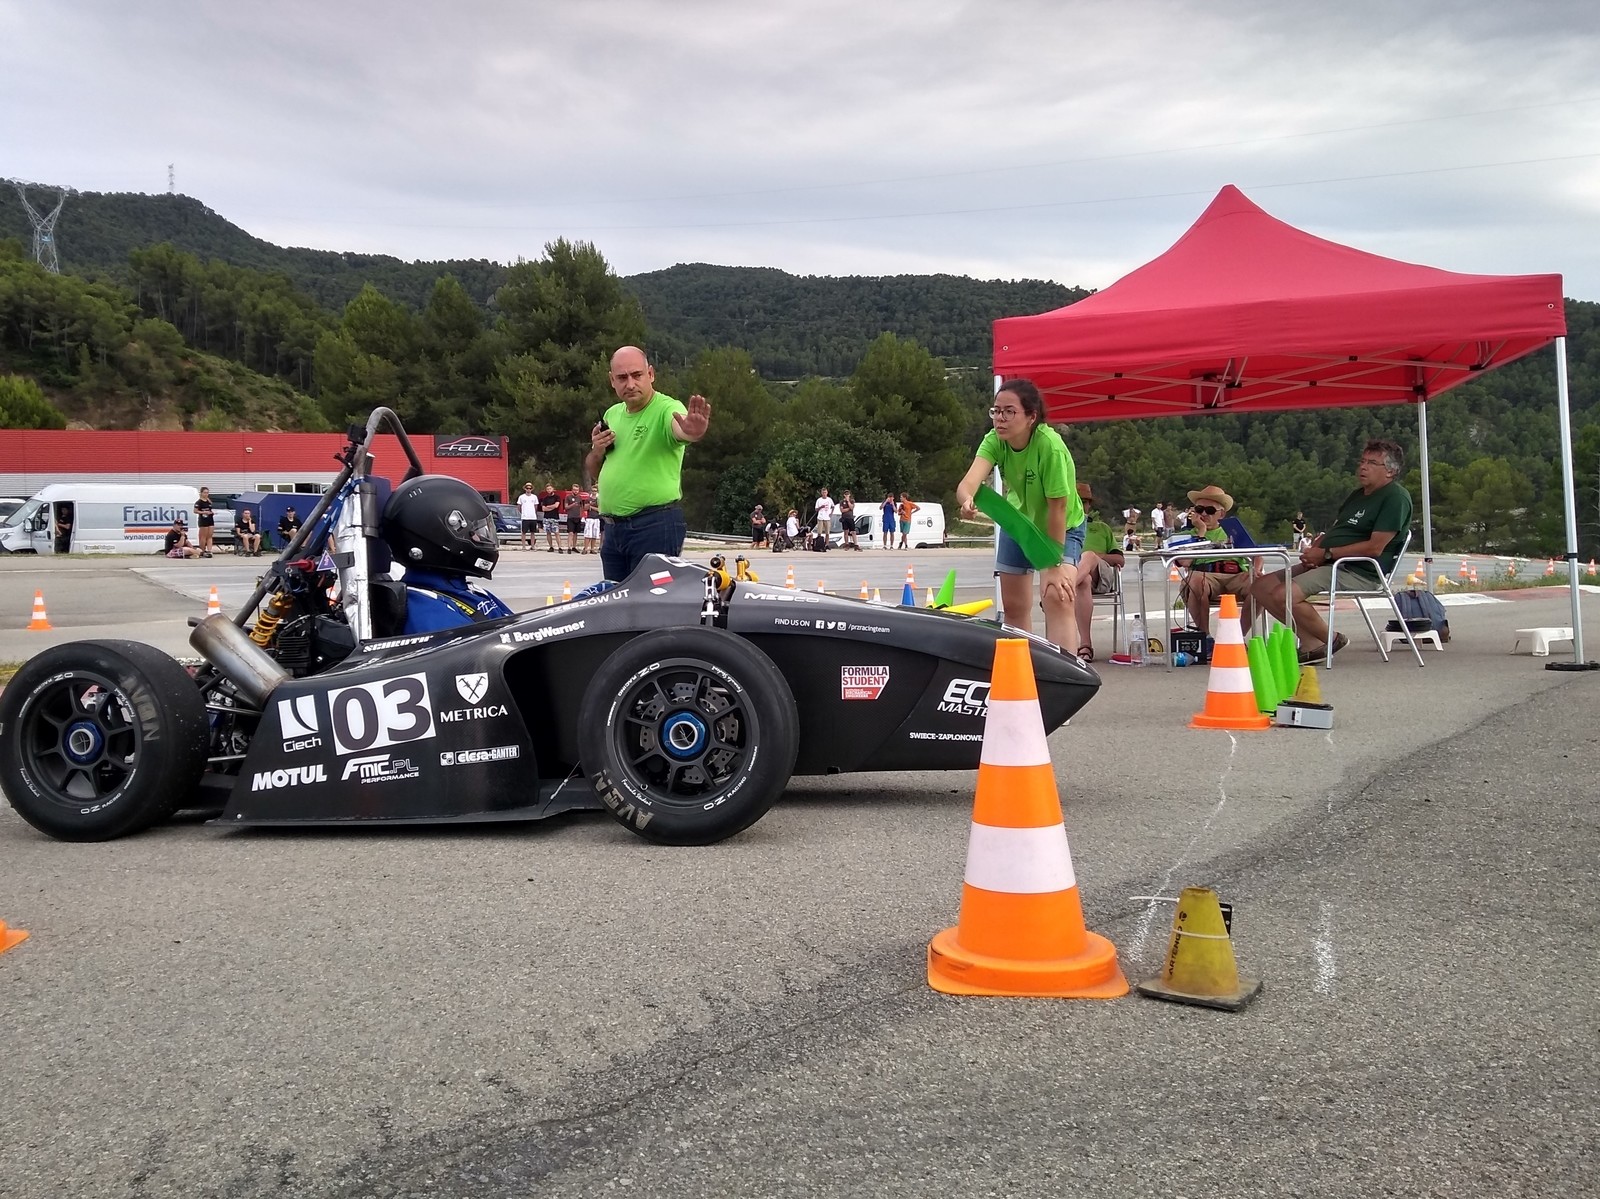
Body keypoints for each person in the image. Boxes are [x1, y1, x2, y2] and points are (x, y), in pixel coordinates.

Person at [1250, 439, 1414, 663]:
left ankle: (1332, 639)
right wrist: (1317, 549)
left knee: (1283, 595)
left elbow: (1375, 548)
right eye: (1362, 461)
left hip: (1358, 569)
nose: (1363, 466)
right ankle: (1311, 643)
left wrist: (1326, 554)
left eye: (1372, 463)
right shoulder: (1358, 495)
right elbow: (1338, 529)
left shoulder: (1395, 498)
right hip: (1331, 562)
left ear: (1390, 471)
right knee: (1260, 587)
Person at [955, 378, 1083, 652]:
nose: (1000, 418)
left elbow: (1058, 508)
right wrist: (967, 500)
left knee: (1057, 596)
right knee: (1013, 605)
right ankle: (1022, 670)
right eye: (996, 411)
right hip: (1019, 524)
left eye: (1009, 411)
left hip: (1061, 526)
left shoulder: (1050, 446)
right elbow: (967, 484)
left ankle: (1062, 672)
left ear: (1031, 417)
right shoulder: (994, 440)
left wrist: (1054, 563)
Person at [584, 345, 711, 582]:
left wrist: (692, 431)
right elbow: (596, 471)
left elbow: (680, 428)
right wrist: (597, 451)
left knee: (655, 600)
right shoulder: (612, 414)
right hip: (613, 530)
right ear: (612, 381)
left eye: (637, 375)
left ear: (651, 374)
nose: (630, 384)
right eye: (622, 378)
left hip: (653, 525)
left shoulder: (666, 408)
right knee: (617, 601)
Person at [1176, 484, 1253, 641]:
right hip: (1205, 575)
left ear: (1221, 514)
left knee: (1260, 584)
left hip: (1236, 574)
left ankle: (1237, 636)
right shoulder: (1185, 535)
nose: (1204, 514)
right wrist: (1201, 532)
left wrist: (1256, 569)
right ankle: (1205, 638)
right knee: (1195, 581)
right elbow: (1185, 562)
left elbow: (1257, 555)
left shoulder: (1233, 532)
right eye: (1199, 510)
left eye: (1210, 510)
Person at [1071, 482, 1124, 661]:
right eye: (1078, 500)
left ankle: (1065, 588)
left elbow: (1120, 560)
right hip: (1078, 574)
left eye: (1085, 501)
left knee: (1089, 555)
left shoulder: (1101, 528)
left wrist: (1096, 556)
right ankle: (1085, 645)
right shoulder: (1063, 527)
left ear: (1090, 505)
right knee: (1083, 580)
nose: (1082, 504)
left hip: (1102, 576)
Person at [516, 482, 541, 550]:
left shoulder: (534, 497)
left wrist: (533, 513)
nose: (528, 489)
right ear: (525, 489)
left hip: (533, 517)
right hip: (525, 517)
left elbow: (536, 506)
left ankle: (532, 546)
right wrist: (523, 513)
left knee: (533, 532)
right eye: (527, 488)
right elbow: (519, 506)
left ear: (531, 489)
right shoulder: (521, 497)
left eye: (530, 488)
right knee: (524, 532)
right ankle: (523, 546)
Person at [539, 484, 562, 552]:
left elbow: (556, 505)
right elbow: (543, 509)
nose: (549, 490)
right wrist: (552, 507)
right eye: (547, 489)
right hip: (546, 517)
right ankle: (551, 547)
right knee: (548, 533)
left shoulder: (557, 497)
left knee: (556, 532)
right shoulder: (545, 498)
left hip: (555, 517)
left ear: (553, 489)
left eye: (550, 489)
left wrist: (548, 507)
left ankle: (560, 547)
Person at [194, 487, 216, 555]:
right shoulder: (199, 502)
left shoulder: (209, 501)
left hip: (210, 519)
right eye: (205, 493)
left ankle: (209, 550)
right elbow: (195, 511)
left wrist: (211, 512)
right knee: (203, 536)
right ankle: (202, 550)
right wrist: (204, 512)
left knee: (210, 536)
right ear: (201, 493)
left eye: (207, 493)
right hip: (203, 520)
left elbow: (210, 509)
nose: (206, 494)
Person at [564, 484, 583, 554]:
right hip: (570, 517)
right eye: (574, 490)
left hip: (577, 517)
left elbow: (581, 507)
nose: (576, 491)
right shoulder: (568, 497)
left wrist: (581, 515)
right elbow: (566, 507)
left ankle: (574, 547)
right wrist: (573, 504)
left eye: (577, 490)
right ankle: (569, 547)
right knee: (571, 533)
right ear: (572, 490)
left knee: (576, 533)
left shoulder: (579, 497)